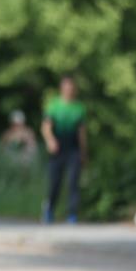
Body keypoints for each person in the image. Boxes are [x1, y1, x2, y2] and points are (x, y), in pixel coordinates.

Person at [41, 76, 87, 224]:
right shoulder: (54, 106)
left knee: (73, 181)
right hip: (57, 148)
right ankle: (49, 210)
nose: (69, 90)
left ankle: (72, 214)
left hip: (73, 148)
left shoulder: (79, 108)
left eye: (71, 87)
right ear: (62, 88)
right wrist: (50, 141)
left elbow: (81, 132)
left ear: (74, 89)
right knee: (55, 182)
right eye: (66, 87)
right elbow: (46, 127)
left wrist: (83, 151)